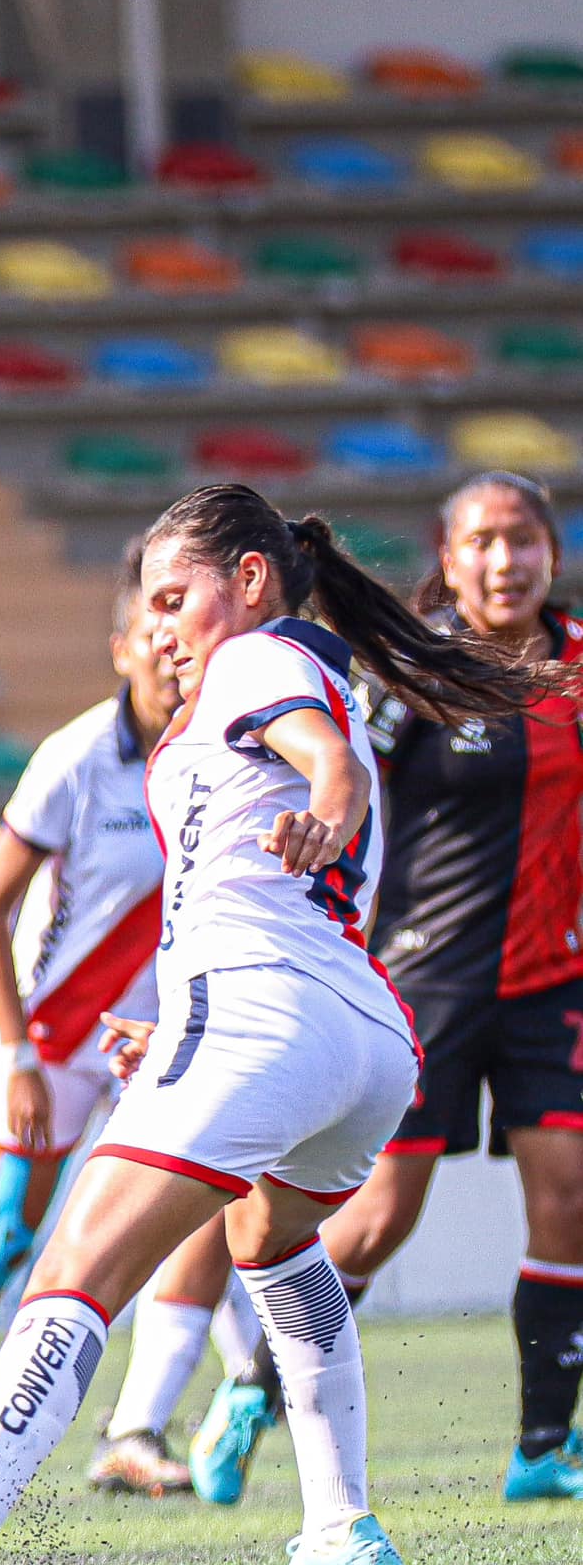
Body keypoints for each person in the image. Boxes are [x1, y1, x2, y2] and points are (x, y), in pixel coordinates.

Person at [0, 481, 572, 1565]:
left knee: (74, 1269)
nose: (158, 626)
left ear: (248, 580)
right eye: (147, 605)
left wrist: (325, 812)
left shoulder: (255, 660)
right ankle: (341, 1528)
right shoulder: (305, 668)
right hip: (359, 1035)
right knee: (272, 1242)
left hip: (270, 1014)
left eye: (174, 596)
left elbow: (329, 769)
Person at [194, 472, 583, 1507]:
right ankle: (253, 1384)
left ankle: (544, 1446)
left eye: (523, 539)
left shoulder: (578, 664)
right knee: (372, 1223)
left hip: (555, 980)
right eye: (484, 542)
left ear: (552, 552)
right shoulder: (412, 669)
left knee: (569, 1197)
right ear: (449, 562)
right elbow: (340, 786)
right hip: (427, 981)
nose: (506, 560)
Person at [0, 559, 246, 1509]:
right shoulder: (78, 758)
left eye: (183, 640)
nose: (171, 659)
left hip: (154, 1042)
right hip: (47, 1041)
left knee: (197, 1222)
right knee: (3, 1239)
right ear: (121, 649)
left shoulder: (227, 753)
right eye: (149, 641)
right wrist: (21, 1049)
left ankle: (134, 1430)